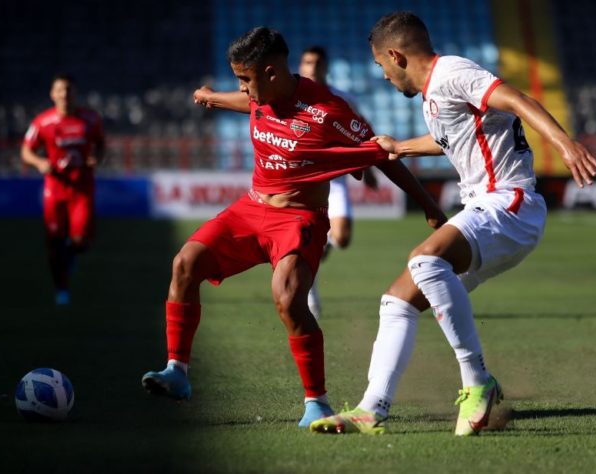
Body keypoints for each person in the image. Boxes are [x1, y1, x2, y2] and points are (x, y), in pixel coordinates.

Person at [310, 11, 596, 436]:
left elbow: (517, 100)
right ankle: (371, 409)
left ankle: (478, 380)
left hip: (509, 202)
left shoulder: (452, 73)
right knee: (398, 300)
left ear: (395, 54)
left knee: (425, 261)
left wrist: (565, 143)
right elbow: (450, 137)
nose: (384, 77)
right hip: (489, 210)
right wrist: (401, 147)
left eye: (381, 66)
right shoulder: (434, 94)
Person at [141, 26, 446, 428]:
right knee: (185, 263)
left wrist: (427, 205)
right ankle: (177, 371)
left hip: (300, 218)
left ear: (270, 73)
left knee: (287, 298)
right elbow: (246, 104)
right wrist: (213, 97)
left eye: (245, 80)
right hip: (251, 208)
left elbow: (380, 155)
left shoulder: (328, 111)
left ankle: (316, 401)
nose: (243, 89)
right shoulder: (259, 96)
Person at [298, 45, 379, 319]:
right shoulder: (292, 97)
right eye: (307, 62)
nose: (312, 67)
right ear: (301, 66)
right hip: (305, 179)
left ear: (326, 67)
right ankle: (309, 289)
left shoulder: (342, 98)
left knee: (341, 238)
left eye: (317, 62)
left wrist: (369, 171)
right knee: (303, 240)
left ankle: (315, 262)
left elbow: (362, 135)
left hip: (336, 180)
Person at [21, 74, 105, 305]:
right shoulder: (42, 122)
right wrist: (39, 163)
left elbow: (100, 143)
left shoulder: (90, 119)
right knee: (54, 243)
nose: (64, 94)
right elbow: (26, 150)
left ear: (74, 93)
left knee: (81, 242)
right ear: (52, 94)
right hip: (55, 189)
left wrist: (96, 158)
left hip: (82, 187)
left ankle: (71, 254)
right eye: (60, 90)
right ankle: (61, 289)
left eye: (68, 90)